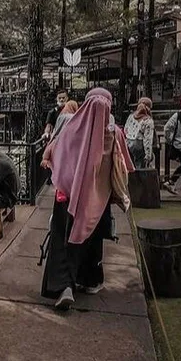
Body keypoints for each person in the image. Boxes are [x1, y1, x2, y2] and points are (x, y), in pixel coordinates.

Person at [41, 88, 134, 310]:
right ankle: (90, 280)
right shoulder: (115, 133)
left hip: (67, 196)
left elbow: (54, 152)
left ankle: (63, 285)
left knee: (63, 239)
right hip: (98, 201)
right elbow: (125, 165)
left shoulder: (72, 128)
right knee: (92, 240)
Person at [124, 97, 156, 169]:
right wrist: (148, 155)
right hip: (139, 146)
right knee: (140, 168)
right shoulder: (148, 120)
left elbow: (125, 130)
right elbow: (148, 139)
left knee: (130, 167)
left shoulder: (131, 116)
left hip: (128, 144)